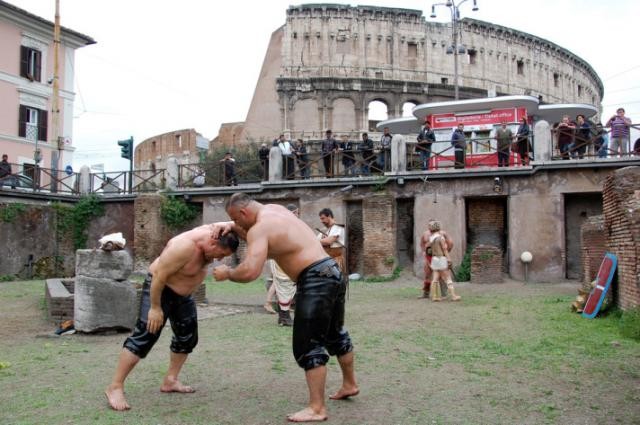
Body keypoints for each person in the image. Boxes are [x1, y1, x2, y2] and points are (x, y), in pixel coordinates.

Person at [211, 193, 358, 423]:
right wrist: (229, 225)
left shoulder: (260, 228)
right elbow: (252, 232)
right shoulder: (276, 210)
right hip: (332, 272)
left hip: (316, 278)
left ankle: (317, 408)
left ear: (243, 213)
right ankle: (349, 384)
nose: (237, 225)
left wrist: (228, 273)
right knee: (334, 334)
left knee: (309, 344)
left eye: (236, 219)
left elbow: (250, 270)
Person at [105, 227, 240, 411]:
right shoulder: (183, 247)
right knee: (145, 335)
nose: (220, 259)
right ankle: (115, 386)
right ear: (213, 243)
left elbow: (239, 220)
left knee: (187, 335)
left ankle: (170, 380)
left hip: (183, 295)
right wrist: (155, 307)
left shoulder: (219, 231)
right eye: (221, 253)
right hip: (160, 289)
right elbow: (159, 276)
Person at [266, 204, 299, 326]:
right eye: (295, 213)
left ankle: (282, 316)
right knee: (285, 284)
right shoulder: (282, 226)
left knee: (285, 286)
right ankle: (284, 317)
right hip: (282, 258)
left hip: (284, 257)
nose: (297, 215)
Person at [419, 221, 454, 299]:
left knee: (442, 275)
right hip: (429, 257)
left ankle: (444, 294)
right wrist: (424, 252)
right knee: (428, 275)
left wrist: (446, 254)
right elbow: (422, 244)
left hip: (440, 256)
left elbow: (450, 243)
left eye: (431, 225)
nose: (430, 227)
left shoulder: (442, 234)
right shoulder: (425, 234)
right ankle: (426, 293)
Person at [427, 220, 461, 302]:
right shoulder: (440, 237)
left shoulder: (431, 238)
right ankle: (453, 296)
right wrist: (449, 259)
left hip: (434, 259)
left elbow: (429, 250)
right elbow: (445, 249)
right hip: (441, 259)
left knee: (435, 279)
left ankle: (434, 296)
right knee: (448, 278)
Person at [317, 208, 346, 274]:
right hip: (328, 260)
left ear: (329, 216)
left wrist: (316, 241)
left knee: (335, 281)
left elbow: (328, 241)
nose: (321, 221)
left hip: (336, 261)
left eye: (323, 218)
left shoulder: (338, 227)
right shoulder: (328, 229)